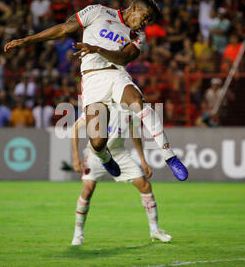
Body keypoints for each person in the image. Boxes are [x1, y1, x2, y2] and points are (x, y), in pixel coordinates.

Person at [4, 0, 188, 181]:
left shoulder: (139, 35)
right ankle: (105, 157)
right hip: (92, 80)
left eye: (149, 21)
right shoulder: (98, 11)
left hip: (116, 75)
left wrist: (97, 48)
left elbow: (124, 58)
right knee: (98, 142)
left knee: (138, 103)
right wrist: (27, 40)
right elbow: (64, 29)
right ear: (134, 8)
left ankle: (169, 156)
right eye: (145, 17)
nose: (145, 24)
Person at [70, 103, 172, 245]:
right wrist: (76, 156)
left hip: (119, 154)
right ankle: (78, 234)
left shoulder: (129, 110)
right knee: (87, 190)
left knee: (145, 186)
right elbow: (75, 128)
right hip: (96, 155)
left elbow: (135, 134)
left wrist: (143, 160)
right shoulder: (99, 106)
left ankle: (155, 230)